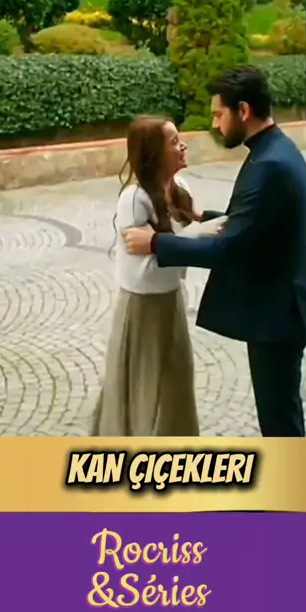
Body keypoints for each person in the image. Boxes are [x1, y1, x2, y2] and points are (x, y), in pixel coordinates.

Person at [123, 67, 306, 438]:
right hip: (285, 306)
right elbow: (254, 221)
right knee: (282, 413)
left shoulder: (269, 165)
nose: (215, 124)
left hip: (278, 315)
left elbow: (228, 249)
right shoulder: (276, 149)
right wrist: (205, 217)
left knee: (279, 422)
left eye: (219, 114)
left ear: (242, 110)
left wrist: (154, 243)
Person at [92, 114, 219, 437]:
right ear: (154, 154)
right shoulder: (135, 199)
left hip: (171, 301)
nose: (183, 146)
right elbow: (147, 266)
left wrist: (205, 228)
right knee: (144, 386)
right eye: (174, 141)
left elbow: (175, 245)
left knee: (175, 382)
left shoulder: (181, 188)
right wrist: (199, 233)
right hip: (143, 307)